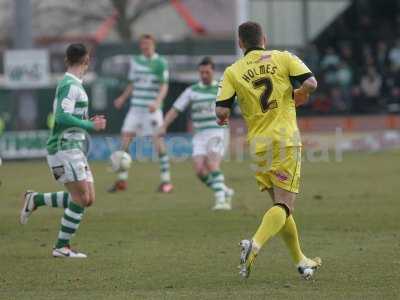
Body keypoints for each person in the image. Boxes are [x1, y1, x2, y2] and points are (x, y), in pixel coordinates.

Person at [215, 21, 322, 279]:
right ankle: (255, 244)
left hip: (259, 145)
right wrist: (301, 94)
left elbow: (221, 111)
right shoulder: (283, 58)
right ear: (264, 38)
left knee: (279, 205)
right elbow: (311, 83)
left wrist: (224, 118)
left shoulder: (233, 71)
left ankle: (301, 261)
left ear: (241, 43)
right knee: (285, 206)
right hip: (284, 140)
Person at [20, 43, 107, 258]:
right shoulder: (71, 85)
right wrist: (89, 126)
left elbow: (69, 116)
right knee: (81, 197)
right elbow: (61, 116)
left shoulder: (73, 83)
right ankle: (61, 246)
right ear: (87, 60)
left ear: (67, 60)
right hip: (63, 148)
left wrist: (87, 121)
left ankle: (36, 200)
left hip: (73, 148)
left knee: (88, 198)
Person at [159, 57, 234, 210]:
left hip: (217, 132)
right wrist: (163, 125)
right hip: (199, 135)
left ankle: (221, 201)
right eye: (201, 72)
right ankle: (224, 191)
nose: (204, 75)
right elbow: (175, 109)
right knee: (200, 170)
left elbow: (234, 107)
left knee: (212, 164)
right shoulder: (191, 91)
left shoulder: (221, 88)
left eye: (207, 72)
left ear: (213, 71)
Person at [109, 34, 173, 193]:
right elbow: (132, 83)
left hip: (151, 110)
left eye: (148, 44)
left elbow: (164, 86)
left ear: (154, 45)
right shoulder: (135, 62)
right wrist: (123, 98)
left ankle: (166, 181)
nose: (145, 47)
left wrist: (157, 102)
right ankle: (122, 180)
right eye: (143, 44)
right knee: (125, 141)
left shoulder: (160, 63)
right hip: (135, 109)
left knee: (158, 142)